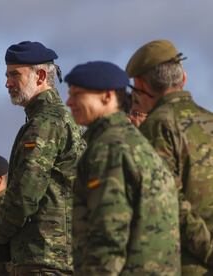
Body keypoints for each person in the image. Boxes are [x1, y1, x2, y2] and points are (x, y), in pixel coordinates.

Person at [65, 61, 180, 275]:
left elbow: (108, 235)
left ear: (107, 97)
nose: (69, 102)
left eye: (78, 94)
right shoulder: (133, 140)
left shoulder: (108, 148)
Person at [0, 41, 85, 275]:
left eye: (15, 75)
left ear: (40, 75)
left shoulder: (45, 124)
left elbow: (25, 194)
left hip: (44, 258)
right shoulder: (62, 120)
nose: (7, 83)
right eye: (7, 75)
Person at [126, 39, 213, 274]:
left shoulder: (157, 126)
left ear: (141, 84)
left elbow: (168, 201)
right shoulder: (209, 120)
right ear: (182, 78)